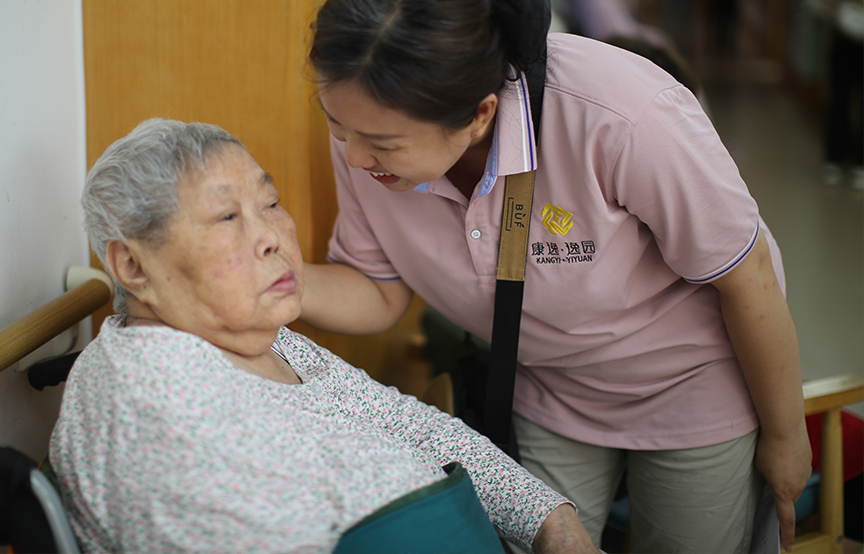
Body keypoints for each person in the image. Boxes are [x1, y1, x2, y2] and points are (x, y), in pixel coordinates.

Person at [299, 0, 812, 553]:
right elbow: (378, 292)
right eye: (337, 126)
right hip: (547, 386)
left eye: (382, 142)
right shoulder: (367, 126)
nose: (354, 157)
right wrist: (263, 282)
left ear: (481, 114)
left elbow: (747, 273)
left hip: (690, 382)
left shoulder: (620, 115)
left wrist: (786, 437)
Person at [49, 118, 597, 554]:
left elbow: (411, 425)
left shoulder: (265, 337)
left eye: (269, 203)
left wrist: (552, 522)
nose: (271, 236)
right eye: (225, 217)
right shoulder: (144, 393)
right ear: (133, 267)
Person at [811, 0, 863, 190]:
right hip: (846, 28)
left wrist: (834, 3)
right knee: (845, 97)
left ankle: (839, 158)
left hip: (845, 25)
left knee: (841, 96)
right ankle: (851, 162)